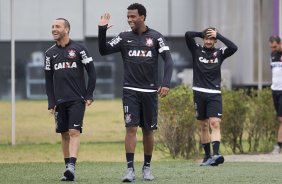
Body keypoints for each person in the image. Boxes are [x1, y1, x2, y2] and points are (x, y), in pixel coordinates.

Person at [98, 3, 173, 182]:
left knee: (148, 131)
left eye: (133, 17)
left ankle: (147, 168)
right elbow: (103, 50)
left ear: (142, 17)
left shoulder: (156, 37)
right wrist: (102, 30)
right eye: (128, 17)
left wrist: (166, 83)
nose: (129, 20)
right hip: (130, 90)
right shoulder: (124, 37)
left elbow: (168, 61)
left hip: (149, 91)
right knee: (130, 128)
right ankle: (129, 170)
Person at [44, 18, 96, 181]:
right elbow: (48, 79)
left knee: (74, 131)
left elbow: (92, 72)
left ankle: (71, 167)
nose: (54, 29)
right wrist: (51, 102)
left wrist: (89, 94)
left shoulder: (79, 49)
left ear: (66, 29)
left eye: (57, 26)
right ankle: (68, 169)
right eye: (52, 26)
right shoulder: (49, 53)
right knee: (64, 134)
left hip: (77, 99)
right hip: (59, 101)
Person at [185, 28, 238, 166]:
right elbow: (187, 35)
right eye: (206, 38)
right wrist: (201, 33)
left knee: (215, 123)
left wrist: (218, 35)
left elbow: (234, 47)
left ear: (215, 41)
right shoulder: (196, 49)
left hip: (214, 94)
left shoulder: (220, 53)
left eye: (211, 39)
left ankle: (216, 154)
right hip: (198, 92)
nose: (208, 41)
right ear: (203, 39)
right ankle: (207, 156)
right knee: (203, 125)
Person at [269, 35, 282, 154]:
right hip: (275, 90)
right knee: (280, 119)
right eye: (271, 47)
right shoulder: (272, 55)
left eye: (274, 46)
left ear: (280, 43)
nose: (272, 49)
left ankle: (278, 145)